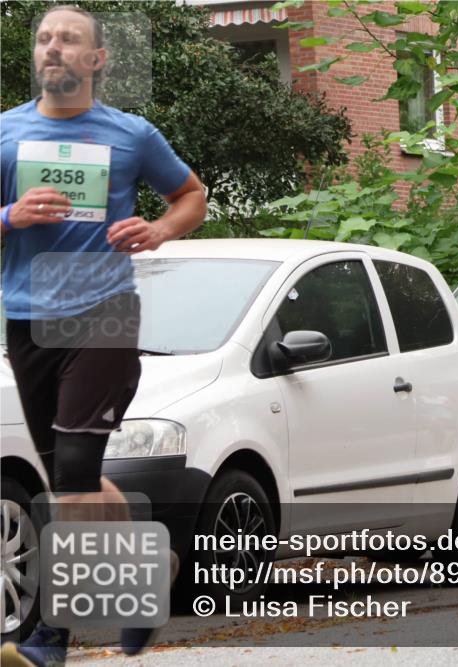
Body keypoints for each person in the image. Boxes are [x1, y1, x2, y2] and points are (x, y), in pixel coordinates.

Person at [0, 6, 206, 665]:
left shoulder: (131, 135)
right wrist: (10, 213)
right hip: (27, 318)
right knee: (70, 480)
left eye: (68, 39)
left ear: (97, 59)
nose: (53, 48)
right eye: (44, 38)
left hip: (104, 311)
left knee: (79, 472)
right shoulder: (4, 133)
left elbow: (191, 195)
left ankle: (50, 635)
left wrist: (159, 229)